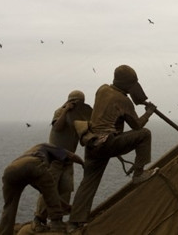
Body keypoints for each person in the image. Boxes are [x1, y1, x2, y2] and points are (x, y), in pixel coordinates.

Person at [68, 65, 158, 232]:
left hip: (92, 143)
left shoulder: (102, 89)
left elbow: (108, 113)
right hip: (108, 143)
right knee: (145, 134)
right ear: (127, 84)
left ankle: (74, 222)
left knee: (88, 183)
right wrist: (149, 112)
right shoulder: (123, 100)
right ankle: (138, 174)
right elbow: (137, 126)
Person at [32, 90, 93, 231]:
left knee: (65, 190)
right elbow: (57, 127)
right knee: (49, 189)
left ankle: (56, 220)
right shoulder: (60, 112)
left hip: (68, 159)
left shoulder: (80, 118)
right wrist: (66, 111)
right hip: (54, 158)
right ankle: (38, 219)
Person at [0, 143, 84, 235]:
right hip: (32, 163)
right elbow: (69, 155)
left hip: (9, 171)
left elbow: (48, 194)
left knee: (9, 207)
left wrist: (67, 207)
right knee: (50, 184)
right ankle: (56, 223)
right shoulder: (45, 146)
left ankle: (5, 233)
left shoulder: (29, 152)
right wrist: (82, 163)